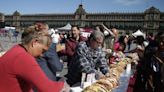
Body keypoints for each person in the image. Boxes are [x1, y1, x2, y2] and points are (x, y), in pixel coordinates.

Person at [0, 25, 65, 92]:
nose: (41, 54)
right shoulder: (23, 57)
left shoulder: (17, 49)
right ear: (34, 42)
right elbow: (48, 88)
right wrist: (63, 84)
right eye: (43, 50)